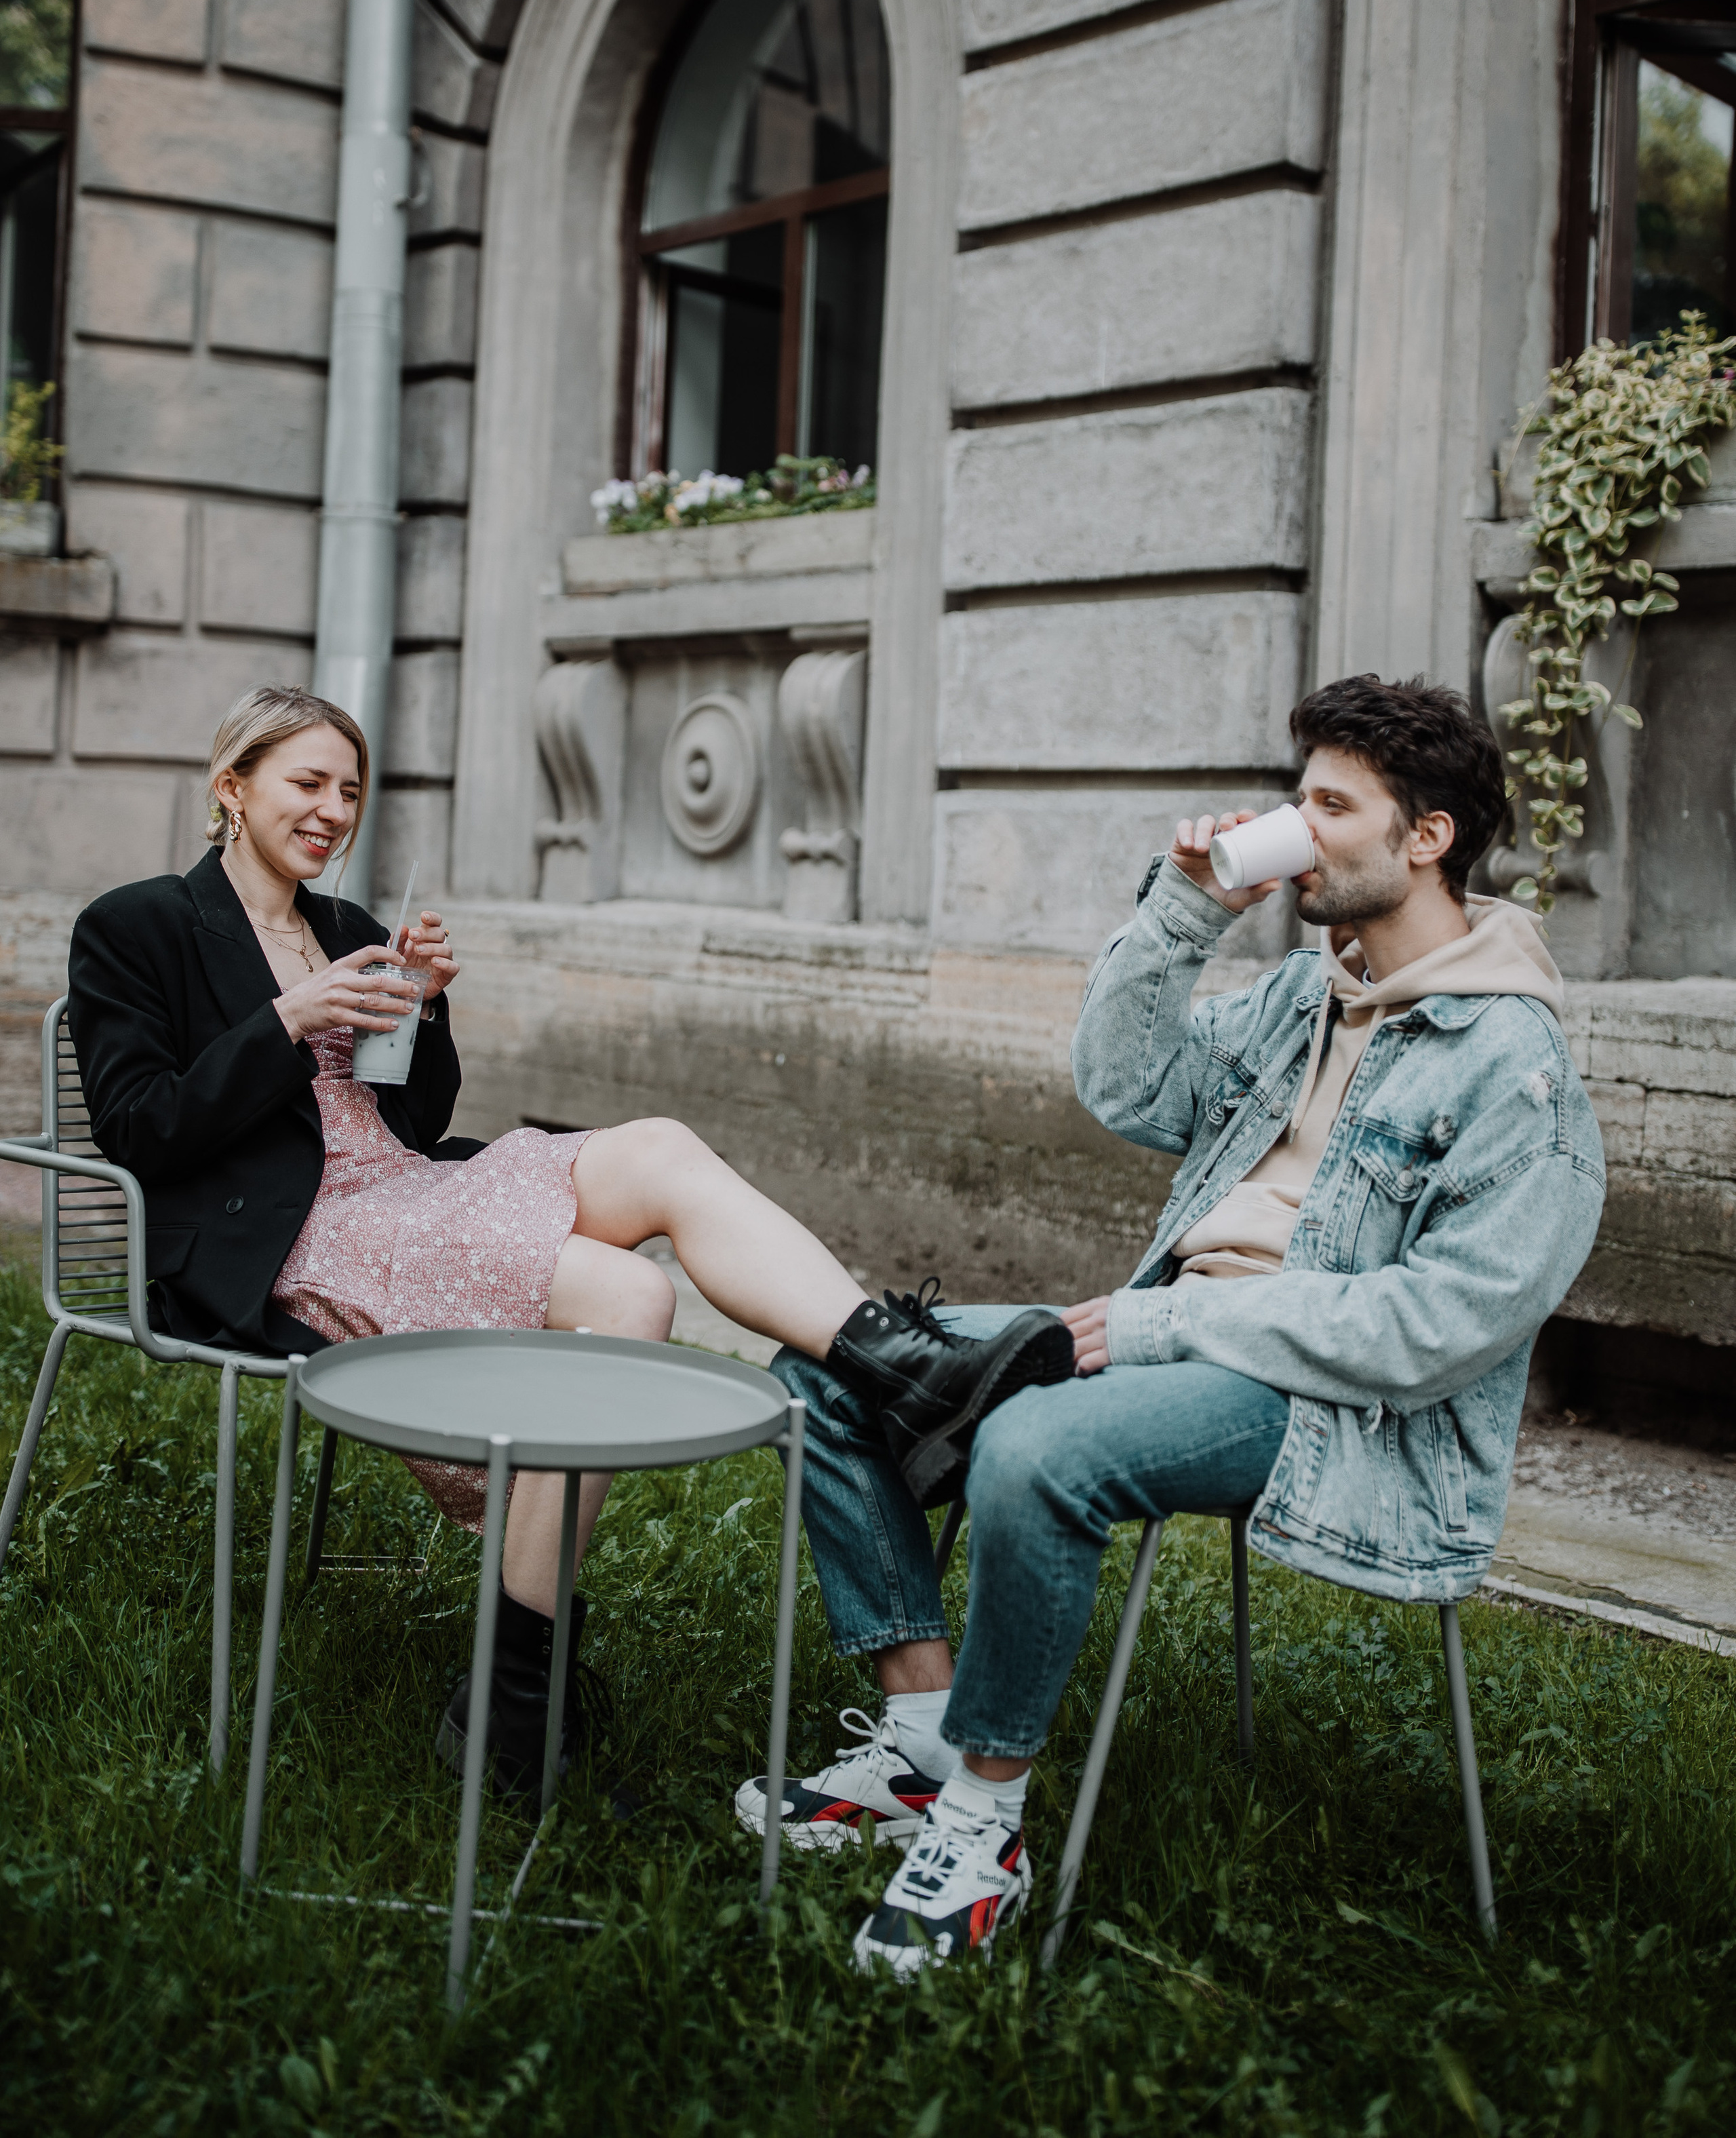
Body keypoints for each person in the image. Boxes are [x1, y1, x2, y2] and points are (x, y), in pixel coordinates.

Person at [737, 675, 1605, 1975]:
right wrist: (1186, 912)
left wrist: (1170, 1330)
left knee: (1038, 1450)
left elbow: (1442, 1325)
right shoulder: (1307, 993)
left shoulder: (1517, 1071)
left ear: (1428, 837)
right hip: (1177, 1328)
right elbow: (1127, 1086)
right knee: (827, 1365)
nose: (1297, 827)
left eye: (1332, 806)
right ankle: (922, 1739)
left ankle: (983, 1826)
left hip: (1336, 1406)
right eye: (1301, 798)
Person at [68, 684, 1071, 1802]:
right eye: (309, 783)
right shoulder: (137, 925)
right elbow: (139, 1127)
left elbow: (411, 1122)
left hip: (408, 1188)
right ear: (233, 786)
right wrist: (286, 1022)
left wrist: (425, 1009)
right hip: (292, 1237)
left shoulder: (344, 929)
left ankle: (903, 1371)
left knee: (662, 1150)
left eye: (350, 790)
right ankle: (517, 1706)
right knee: (632, 1301)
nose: (334, 811)